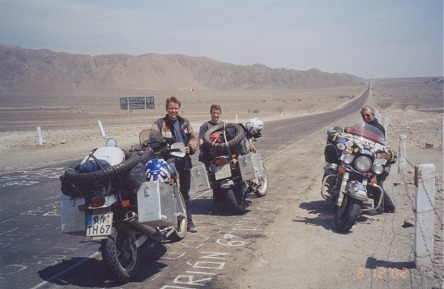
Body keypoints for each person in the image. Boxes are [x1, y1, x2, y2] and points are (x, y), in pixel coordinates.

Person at [152, 96, 198, 232]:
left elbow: (193, 138)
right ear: (166, 108)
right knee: (167, 193)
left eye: (176, 108)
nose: (173, 111)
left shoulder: (184, 123)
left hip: (184, 162)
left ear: (179, 108)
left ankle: (188, 222)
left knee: (185, 193)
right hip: (167, 163)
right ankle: (167, 222)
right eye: (171, 108)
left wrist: (191, 147)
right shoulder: (159, 124)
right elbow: (151, 140)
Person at [360, 106, 396, 213]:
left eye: (368, 115)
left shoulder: (377, 128)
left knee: (375, 183)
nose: (366, 117)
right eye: (363, 115)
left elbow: (379, 146)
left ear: (373, 115)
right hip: (372, 157)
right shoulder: (366, 126)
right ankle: (388, 206)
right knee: (373, 183)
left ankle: (381, 208)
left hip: (379, 157)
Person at [198, 104, 226, 209]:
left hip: (223, 153)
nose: (216, 115)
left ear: (220, 114)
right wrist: (201, 150)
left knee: (226, 175)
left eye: (218, 113)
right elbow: (201, 139)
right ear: (210, 113)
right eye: (214, 113)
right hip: (210, 155)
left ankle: (228, 197)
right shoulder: (205, 126)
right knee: (214, 178)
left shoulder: (223, 125)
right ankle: (217, 201)